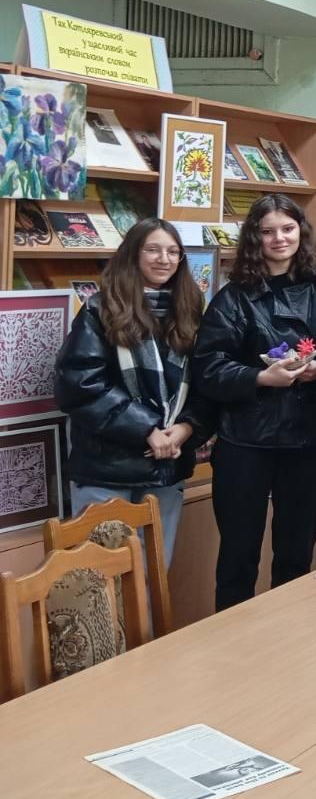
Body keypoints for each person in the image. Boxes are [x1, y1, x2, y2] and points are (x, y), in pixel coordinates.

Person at [193, 194, 316, 611]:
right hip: (245, 438)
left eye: (287, 228)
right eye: (268, 231)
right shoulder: (233, 297)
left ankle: (289, 635)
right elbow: (208, 366)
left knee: (296, 551)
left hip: (307, 435)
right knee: (238, 553)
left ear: (302, 231)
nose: (279, 238)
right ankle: (232, 634)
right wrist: (260, 377)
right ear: (255, 238)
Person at [54, 218, 210, 566]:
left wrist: (186, 428)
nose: (164, 259)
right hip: (106, 468)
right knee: (101, 578)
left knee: (154, 574)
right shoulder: (100, 310)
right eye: (153, 250)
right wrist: (147, 429)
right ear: (133, 255)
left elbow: (207, 385)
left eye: (173, 252)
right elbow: (79, 385)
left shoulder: (190, 314)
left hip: (167, 466)